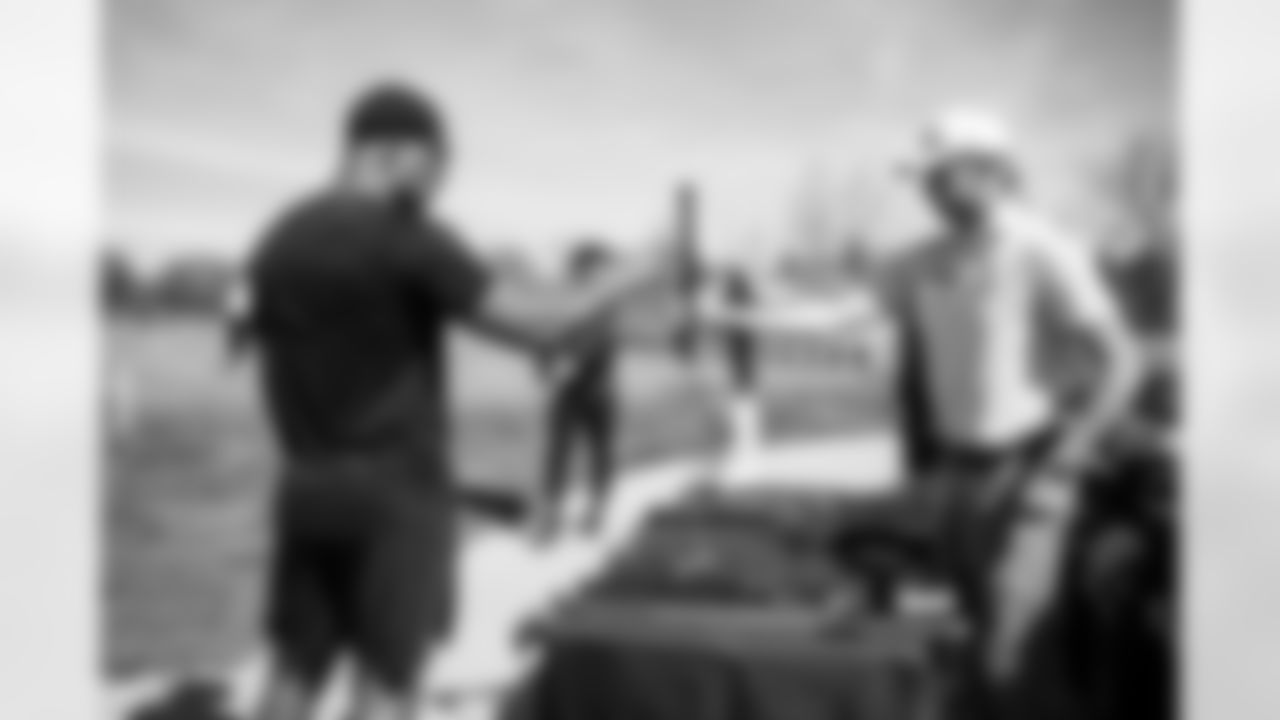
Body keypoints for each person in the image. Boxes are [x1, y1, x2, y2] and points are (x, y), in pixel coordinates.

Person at [231, 82, 682, 720]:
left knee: (293, 670)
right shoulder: (404, 234)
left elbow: (242, 339)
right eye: (437, 164)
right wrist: (633, 272)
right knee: (386, 684)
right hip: (395, 502)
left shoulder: (280, 237)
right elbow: (543, 323)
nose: (440, 183)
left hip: (305, 488)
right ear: (396, 151)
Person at [696, 108, 1142, 718]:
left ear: (991, 172)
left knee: (1013, 650)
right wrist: (732, 315)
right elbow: (836, 314)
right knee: (978, 627)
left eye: (942, 175)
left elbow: (1123, 361)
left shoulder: (1042, 250)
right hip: (959, 476)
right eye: (926, 179)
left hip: (1032, 474)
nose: (929, 191)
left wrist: (1066, 464)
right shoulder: (922, 260)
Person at [534, 241, 620, 540]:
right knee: (557, 451)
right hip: (566, 390)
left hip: (597, 388)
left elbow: (601, 339)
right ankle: (550, 514)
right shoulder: (562, 303)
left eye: (591, 269)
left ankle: (595, 510)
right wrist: (545, 368)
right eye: (584, 268)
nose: (588, 274)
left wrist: (571, 364)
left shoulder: (603, 303)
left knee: (599, 451)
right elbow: (543, 337)